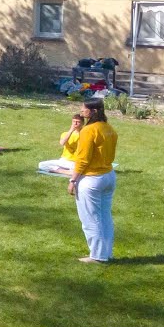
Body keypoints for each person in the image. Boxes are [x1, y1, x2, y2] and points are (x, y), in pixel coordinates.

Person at [69, 100, 118, 263]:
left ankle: (97, 256)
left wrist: (73, 179)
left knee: (90, 218)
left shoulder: (88, 131)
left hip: (91, 179)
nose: (81, 110)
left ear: (93, 111)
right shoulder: (109, 128)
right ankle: (106, 253)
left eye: (84, 108)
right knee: (104, 216)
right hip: (108, 176)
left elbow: (82, 159)